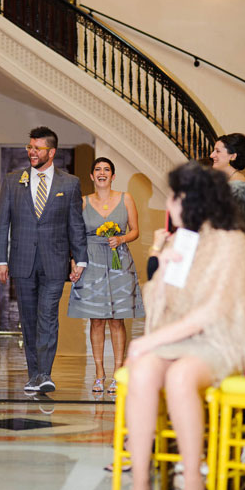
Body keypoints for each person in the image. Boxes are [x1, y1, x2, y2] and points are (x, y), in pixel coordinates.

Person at [124, 162, 245, 490]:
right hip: (180, 337)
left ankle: (192, 482)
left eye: (175, 195)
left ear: (194, 199)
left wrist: (151, 340)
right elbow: (160, 306)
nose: (170, 202)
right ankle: (140, 482)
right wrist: (164, 262)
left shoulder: (231, 240)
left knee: (181, 377)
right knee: (142, 373)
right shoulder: (183, 239)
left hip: (221, 340)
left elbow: (214, 312)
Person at [0, 127, 88, 393]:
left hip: (55, 262)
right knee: (29, 318)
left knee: (48, 315)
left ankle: (44, 373)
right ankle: (34, 374)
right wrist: (0, 259)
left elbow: (75, 224)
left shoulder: (69, 183)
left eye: (37, 148)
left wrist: (80, 258)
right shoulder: (14, 180)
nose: (32, 152)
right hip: (22, 261)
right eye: (30, 147)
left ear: (51, 152)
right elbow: (2, 223)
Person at [68, 157, 144, 395]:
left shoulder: (126, 198)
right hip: (91, 260)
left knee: (117, 319)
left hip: (119, 259)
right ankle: (99, 373)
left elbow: (135, 230)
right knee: (96, 319)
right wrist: (74, 263)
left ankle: (118, 374)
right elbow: (75, 236)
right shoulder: (82, 202)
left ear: (113, 176)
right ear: (91, 176)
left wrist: (121, 238)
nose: (102, 173)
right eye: (98, 170)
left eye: (107, 170)